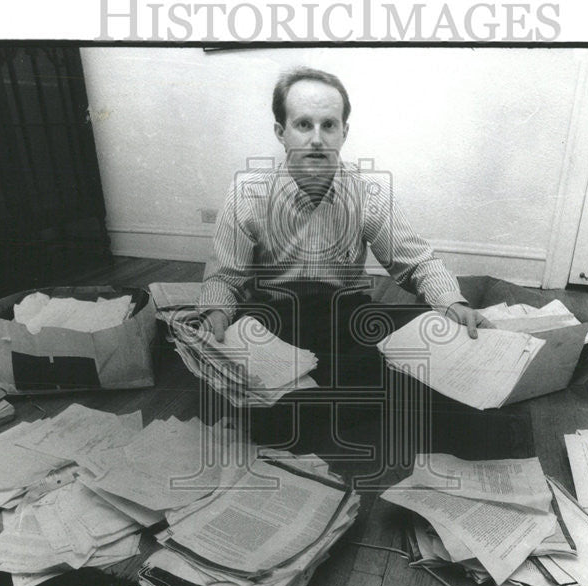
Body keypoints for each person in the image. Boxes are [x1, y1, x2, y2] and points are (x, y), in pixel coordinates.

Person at [197, 67, 490, 449]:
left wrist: (452, 302)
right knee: (273, 416)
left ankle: (328, 403)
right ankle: (323, 406)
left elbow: (416, 262)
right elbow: (226, 276)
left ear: (344, 132)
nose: (317, 140)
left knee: (413, 355)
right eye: (303, 124)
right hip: (275, 317)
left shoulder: (368, 191)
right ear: (280, 133)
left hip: (345, 315)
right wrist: (217, 311)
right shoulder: (247, 191)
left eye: (329, 125)